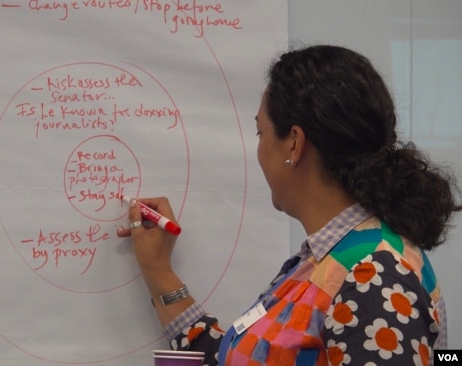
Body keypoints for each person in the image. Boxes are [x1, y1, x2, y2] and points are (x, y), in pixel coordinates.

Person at [117, 45, 461, 365]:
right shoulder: (323, 260)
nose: (259, 149)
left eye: (260, 133)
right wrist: (158, 269)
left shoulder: (374, 277)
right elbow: (232, 357)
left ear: (294, 144)